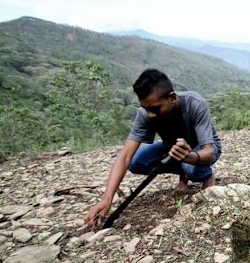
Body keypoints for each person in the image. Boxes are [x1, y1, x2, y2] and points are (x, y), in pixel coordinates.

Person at [85, 69, 221, 227]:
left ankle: (207, 176)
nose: (150, 115)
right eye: (145, 109)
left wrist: (190, 157)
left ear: (171, 97)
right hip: (173, 149)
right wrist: (107, 198)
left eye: (155, 109)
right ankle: (184, 171)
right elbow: (125, 156)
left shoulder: (195, 103)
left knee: (192, 168)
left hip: (203, 149)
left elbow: (209, 151)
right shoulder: (147, 113)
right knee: (137, 162)